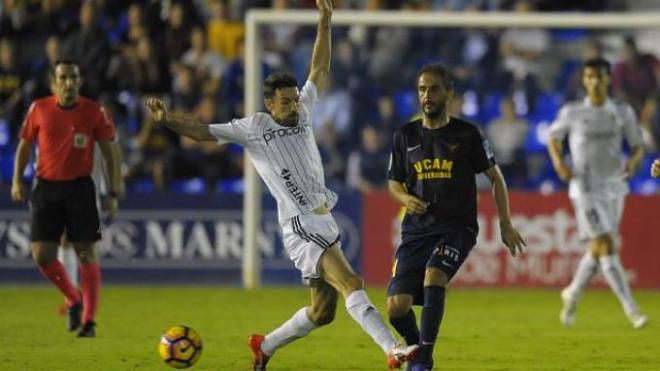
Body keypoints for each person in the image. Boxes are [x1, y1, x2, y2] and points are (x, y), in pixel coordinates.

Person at [145, 1, 418, 370]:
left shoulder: (303, 111)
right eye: (285, 102)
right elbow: (204, 132)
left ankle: (265, 345)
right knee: (352, 281)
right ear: (269, 104)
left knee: (323, 312)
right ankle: (393, 349)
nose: (293, 106)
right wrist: (168, 121)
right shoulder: (254, 128)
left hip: (323, 218)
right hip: (300, 225)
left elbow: (319, 68)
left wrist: (324, 21)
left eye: (294, 100)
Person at [386, 63, 527, 371]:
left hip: (457, 227)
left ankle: (423, 357)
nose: (427, 95)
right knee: (396, 308)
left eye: (434, 88)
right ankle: (417, 350)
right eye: (422, 89)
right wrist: (406, 198)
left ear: (449, 94)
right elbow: (393, 182)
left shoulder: (467, 135)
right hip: (416, 231)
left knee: (435, 276)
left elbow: (496, 177)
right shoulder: (405, 136)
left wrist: (504, 221)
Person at [11, 59, 120, 338]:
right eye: (63, 78)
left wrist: (113, 191)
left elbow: (110, 153)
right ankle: (73, 298)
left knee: (85, 252)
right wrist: (17, 180)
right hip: (46, 187)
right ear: (54, 83)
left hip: (79, 189)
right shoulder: (39, 109)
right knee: (41, 253)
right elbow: (24, 145)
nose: (69, 83)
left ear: (79, 81)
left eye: (73, 77)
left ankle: (89, 322)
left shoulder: (94, 112)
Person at [548, 57, 648, 329]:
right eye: (590, 76)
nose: (595, 81)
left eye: (600, 76)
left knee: (597, 249)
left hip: (615, 186)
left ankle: (573, 292)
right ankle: (632, 311)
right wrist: (559, 163)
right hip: (585, 188)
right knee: (606, 243)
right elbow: (553, 138)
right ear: (584, 80)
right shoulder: (572, 112)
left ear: (608, 79)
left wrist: (634, 161)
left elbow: (638, 145)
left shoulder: (622, 111)